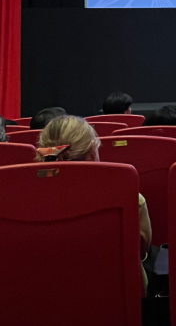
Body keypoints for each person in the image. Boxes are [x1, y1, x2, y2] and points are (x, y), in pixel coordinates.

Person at [35, 116, 152, 289]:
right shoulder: (131, 199)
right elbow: (141, 251)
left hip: (39, 296)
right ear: (91, 152)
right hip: (119, 297)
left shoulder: (17, 201)